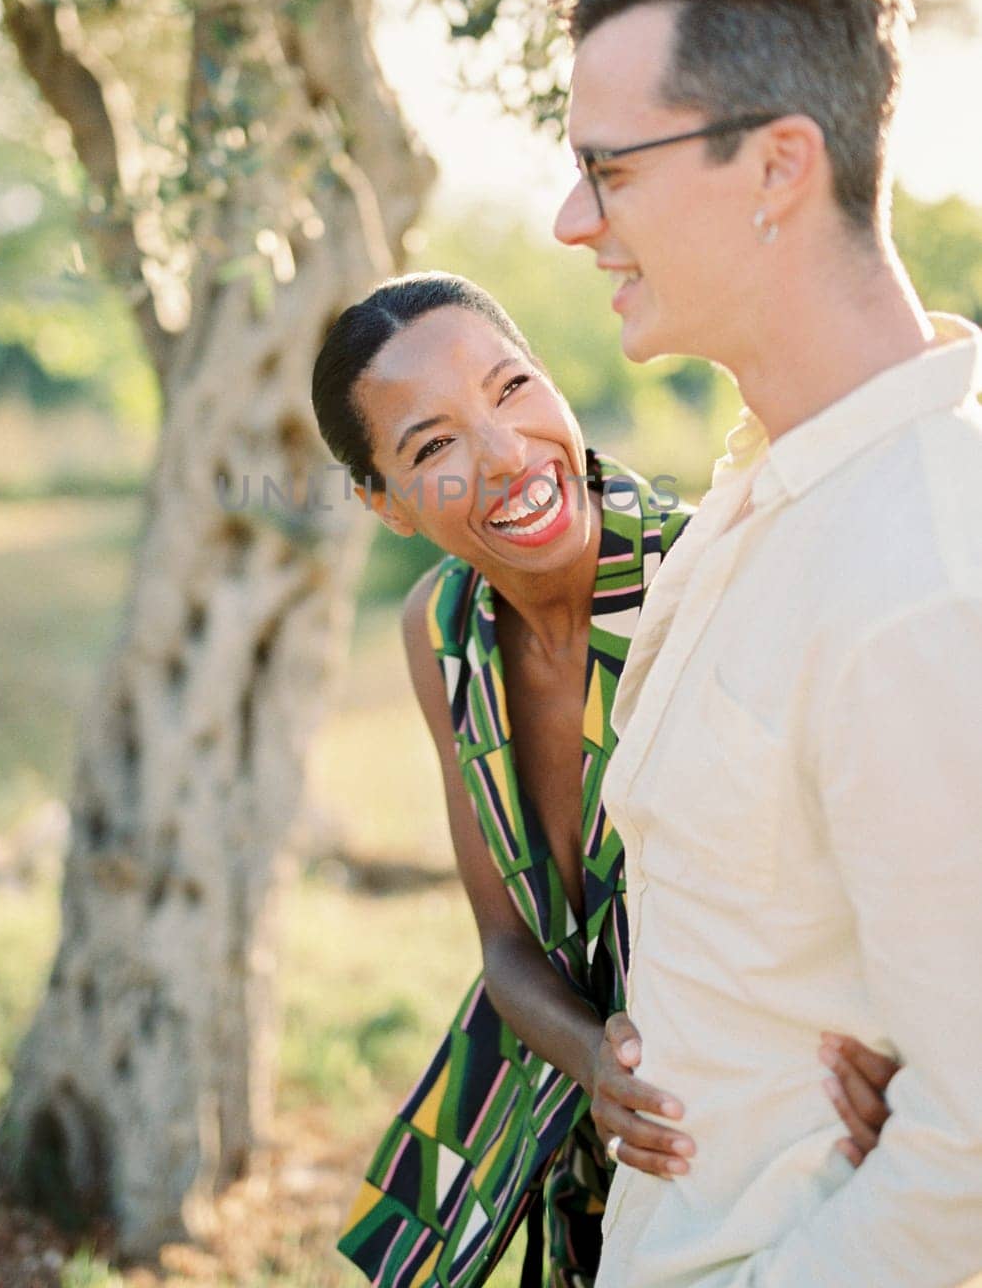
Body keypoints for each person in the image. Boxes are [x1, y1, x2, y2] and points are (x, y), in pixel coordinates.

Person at [550, 0, 982, 1287]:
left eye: (606, 169)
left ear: (775, 165)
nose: (568, 221)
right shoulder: (773, 485)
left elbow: (966, 1156)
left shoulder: (919, 577)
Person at [311, 272, 896, 1288]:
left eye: (511, 387)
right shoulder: (440, 632)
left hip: (783, 1146)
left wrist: (916, 1050)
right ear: (382, 501)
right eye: (432, 446)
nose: (504, 455)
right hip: (609, 1136)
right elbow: (507, 942)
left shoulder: (723, 575)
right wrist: (592, 1061)